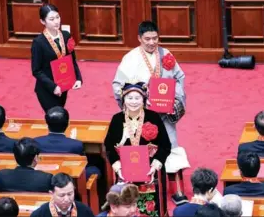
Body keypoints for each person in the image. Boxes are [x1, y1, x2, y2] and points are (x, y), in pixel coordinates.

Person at [112, 20, 190, 204]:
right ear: (139, 38)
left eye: (155, 38)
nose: (152, 42)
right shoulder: (130, 59)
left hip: (164, 115)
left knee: (172, 147)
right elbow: (117, 86)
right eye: (147, 39)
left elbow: (180, 78)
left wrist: (174, 101)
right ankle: (137, 186)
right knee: (138, 149)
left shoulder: (166, 55)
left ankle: (177, 190)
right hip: (141, 115)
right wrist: (135, 101)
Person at [104, 82, 171, 216]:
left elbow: (166, 145)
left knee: (152, 210)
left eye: (137, 98)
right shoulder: (117, 119)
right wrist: (118, 167)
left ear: (144, 99)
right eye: (130, 98)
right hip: (125, 173)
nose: (133, 102)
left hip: (150, 172)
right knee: (126, 206)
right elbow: (109, 146)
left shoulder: (153, 117)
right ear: (123, 100)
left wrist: (155, 165)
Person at [31, 3, 82, 112]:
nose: (56, 21)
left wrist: (78, 78)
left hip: (64, 85)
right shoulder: (38, 42)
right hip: (47, 89)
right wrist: (53, 87)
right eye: (51, 19)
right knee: (55, 117)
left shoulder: (66, 35)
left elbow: (72, 60)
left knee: (60, 116)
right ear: (43, 21)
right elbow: (36, 71)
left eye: (58, 17)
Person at [34, 106, 101, 180]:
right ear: (68, 123)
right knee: (94, 168)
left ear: (46, 123)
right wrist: (72, 141)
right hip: (69, 178)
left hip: (44, 176)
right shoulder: (76, 144)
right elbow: (82, 163)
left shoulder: (36, 142)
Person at [30, 173, 95, 217]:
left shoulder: (85, 211)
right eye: (61, 195)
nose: (66, 199)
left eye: (70, 194)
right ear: (51, 194)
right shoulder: (39, 214)